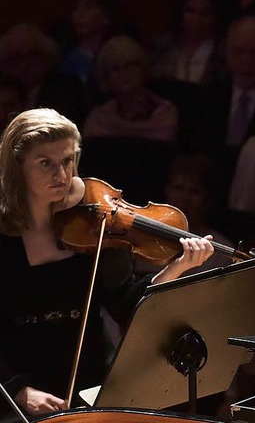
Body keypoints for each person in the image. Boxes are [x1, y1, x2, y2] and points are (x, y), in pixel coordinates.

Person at [0, 108, 214, 417]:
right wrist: (19, 389)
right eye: (45, 164)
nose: (61, 176)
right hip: (13, 393)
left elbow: (125, 301)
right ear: (17, 166)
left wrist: (175, 268)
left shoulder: (95, 225)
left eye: (67, 161)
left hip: (89, 388)